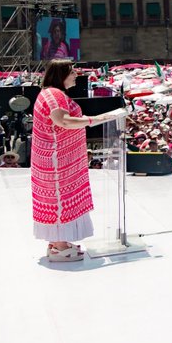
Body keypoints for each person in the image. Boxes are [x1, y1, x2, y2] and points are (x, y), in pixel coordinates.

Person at [31, 59, 123, 261]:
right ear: (62, 74)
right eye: (72, 72)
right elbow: (63, 121)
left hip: (59, 159)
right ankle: (60, 245)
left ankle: (58, 242)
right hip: (58, 162)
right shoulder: (55, 96)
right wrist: (96, 120)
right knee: (60, 200)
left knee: (59, 199)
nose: (75, 76)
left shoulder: (50, 93)